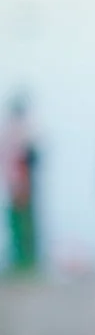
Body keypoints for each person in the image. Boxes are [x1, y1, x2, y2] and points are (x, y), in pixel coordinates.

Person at [2, 96, 39, 273]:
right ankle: (23, 261)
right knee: (20, 224)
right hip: (18, 183)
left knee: (22, 224)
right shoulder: (18, 131)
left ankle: (26, 261)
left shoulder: (16, 130)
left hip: (19, 183)